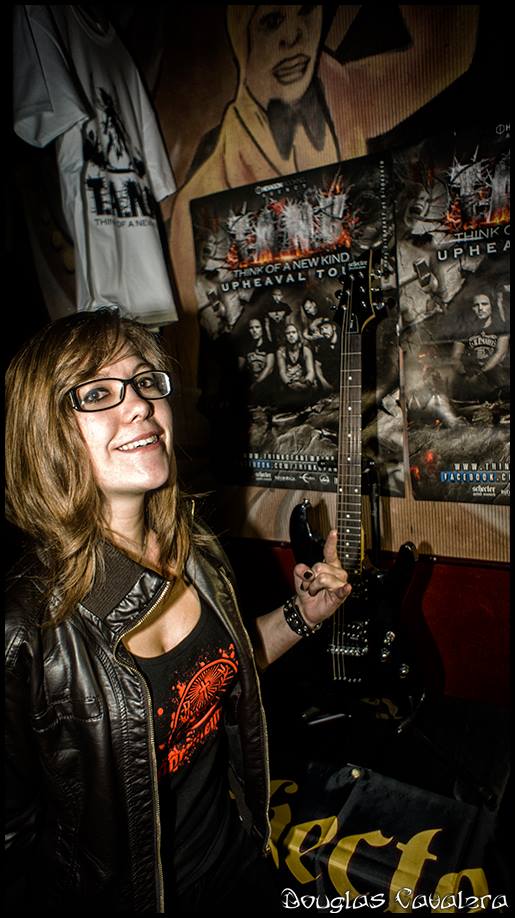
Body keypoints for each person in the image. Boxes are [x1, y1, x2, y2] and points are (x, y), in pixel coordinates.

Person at [5, 308, 351, 914]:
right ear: (45, 433)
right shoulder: (25, 629)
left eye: (144, 382)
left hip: (235, 858)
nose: (140, 404)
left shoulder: (195, 549)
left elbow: (218, 672)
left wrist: (303, 614)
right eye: (98, 393)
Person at [450, 291, 510, 403]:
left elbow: (500, 353)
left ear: (491, 306)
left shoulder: (500, 328)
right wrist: (464, 373)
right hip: (471, 373)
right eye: (476, 305)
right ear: (472, 308)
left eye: (484, 304)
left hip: (494, 373)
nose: (480, 308)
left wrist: (481, 373)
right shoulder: (465, 330)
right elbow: (455, 356)